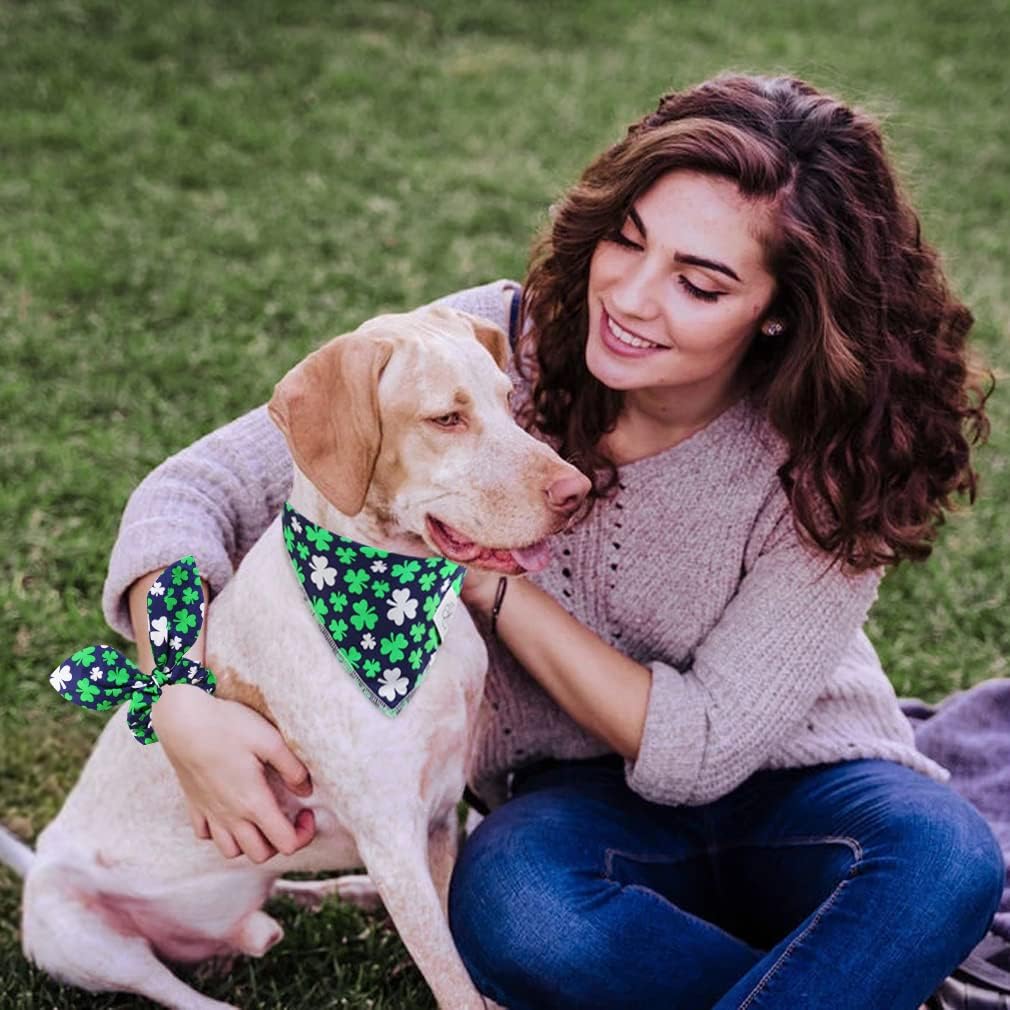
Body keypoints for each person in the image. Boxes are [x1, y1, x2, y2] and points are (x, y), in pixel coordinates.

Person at [103, 73, 1002, 1009]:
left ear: (780, 308)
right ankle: (854, 981)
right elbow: (190, 490)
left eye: (698, 283)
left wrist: (492, 586)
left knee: (947, 861)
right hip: (574, 804)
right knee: (518, 914)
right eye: (629, 240)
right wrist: (174, 688)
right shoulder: (484, 346)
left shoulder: (837, 453)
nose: (633, 298)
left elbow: (700, 748)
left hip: (806, 787)